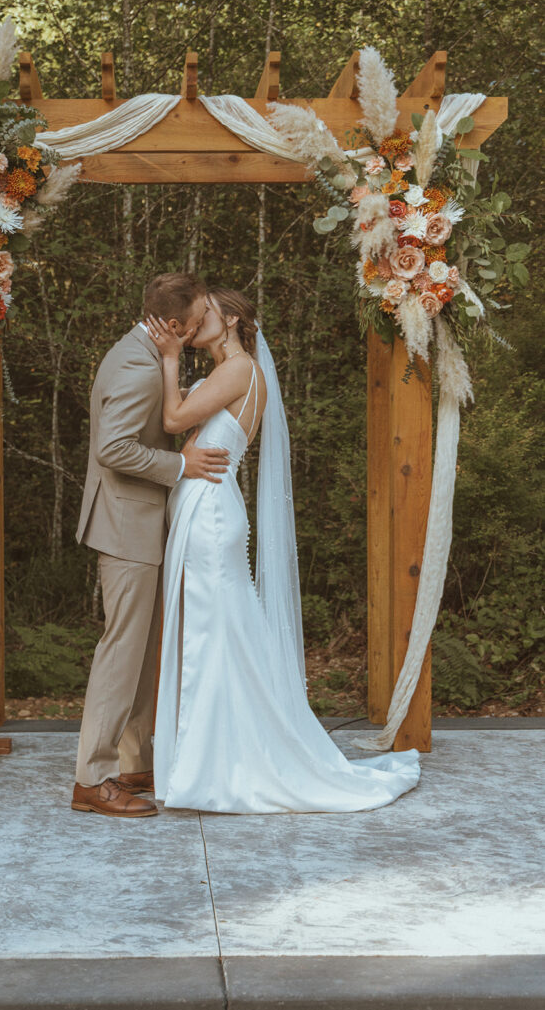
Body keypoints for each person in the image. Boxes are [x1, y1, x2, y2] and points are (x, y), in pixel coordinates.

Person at [144, 288, 422, 814]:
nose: (192, 322)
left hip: (209, 511)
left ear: (228, 321)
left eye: (202, 314)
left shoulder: (240, 369)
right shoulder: (233, 371)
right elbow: (193, 434)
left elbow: (175, 420)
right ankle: (212, 757)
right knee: (222, 630)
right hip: (204, 504)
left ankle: (219, 764)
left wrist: (170, 359)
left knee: (215, 631)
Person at [72, 273, 230, 818]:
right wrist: (180, 464)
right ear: (174, 325)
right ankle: (93, 778)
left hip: (141, 524)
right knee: (121, 651)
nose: (206, 319)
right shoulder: (138, 366)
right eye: (201, 313)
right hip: (126, 525)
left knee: (143, 651)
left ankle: (133, 762)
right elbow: (113, 448)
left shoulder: (142, 350)